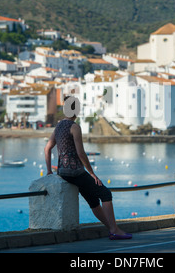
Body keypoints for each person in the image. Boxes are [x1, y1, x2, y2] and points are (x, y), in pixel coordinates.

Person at [44, 96, 132, 240]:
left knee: (93, 201)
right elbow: (81, 153)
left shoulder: (58, 126)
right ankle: (114, 229)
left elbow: (47, 149)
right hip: (76, 172)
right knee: (105, 194)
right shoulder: (75, 127)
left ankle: (112, 229)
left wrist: (49, 170)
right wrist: (92, 173)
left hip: (62, 173)